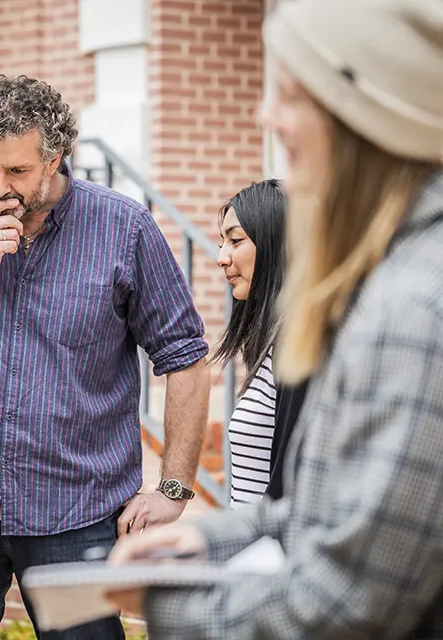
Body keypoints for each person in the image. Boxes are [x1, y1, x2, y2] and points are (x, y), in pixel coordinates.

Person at [108, 0, 443, 637]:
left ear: (362, 113)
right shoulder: (393, 278)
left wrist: (164, 607)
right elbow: (332, 511)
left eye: (289, 95)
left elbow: (351, 599)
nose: (265, 116)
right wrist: (210, 543)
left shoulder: (412, 309)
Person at [0, 74, 211, 639]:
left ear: (55, 159)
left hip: (78, 514)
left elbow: (185, 357)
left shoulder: (124, 227)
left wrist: (173, 488)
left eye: (16, 171)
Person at [211, 179, 288, 506]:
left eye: (236, 240)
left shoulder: (295, 348)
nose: (222, 258)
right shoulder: (268, 345)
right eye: (222, 243)